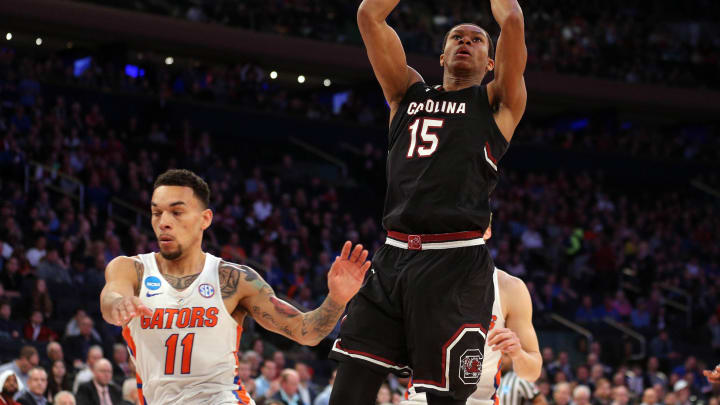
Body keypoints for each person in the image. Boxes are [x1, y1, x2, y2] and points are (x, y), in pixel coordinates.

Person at [330, 0, 527, 401]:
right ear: (442, 55)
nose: (465, 43)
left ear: (491, 63)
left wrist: (505, 19)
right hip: (393, 257)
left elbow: (513, 20)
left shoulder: (496, 103)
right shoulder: (406, 93)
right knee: (349, 387)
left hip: (454, 262)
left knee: (443, 397)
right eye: (457, 37)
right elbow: (369, 16)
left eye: (477, 40)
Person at [100, 169, 370, 404]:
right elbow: (111, 298)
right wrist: (118, 304)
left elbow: (306, 332)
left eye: (177, 211)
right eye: (156, 212)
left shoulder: (234, 279)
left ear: (205, 219)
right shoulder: (130, 269)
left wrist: (337, 298)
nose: (164, 221)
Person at [403, 264, 542, 405]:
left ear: (487, 239)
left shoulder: (510, 287)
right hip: (422, 399)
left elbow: (532, 372)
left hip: (481, 401)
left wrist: (517, 354)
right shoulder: (423, 280)